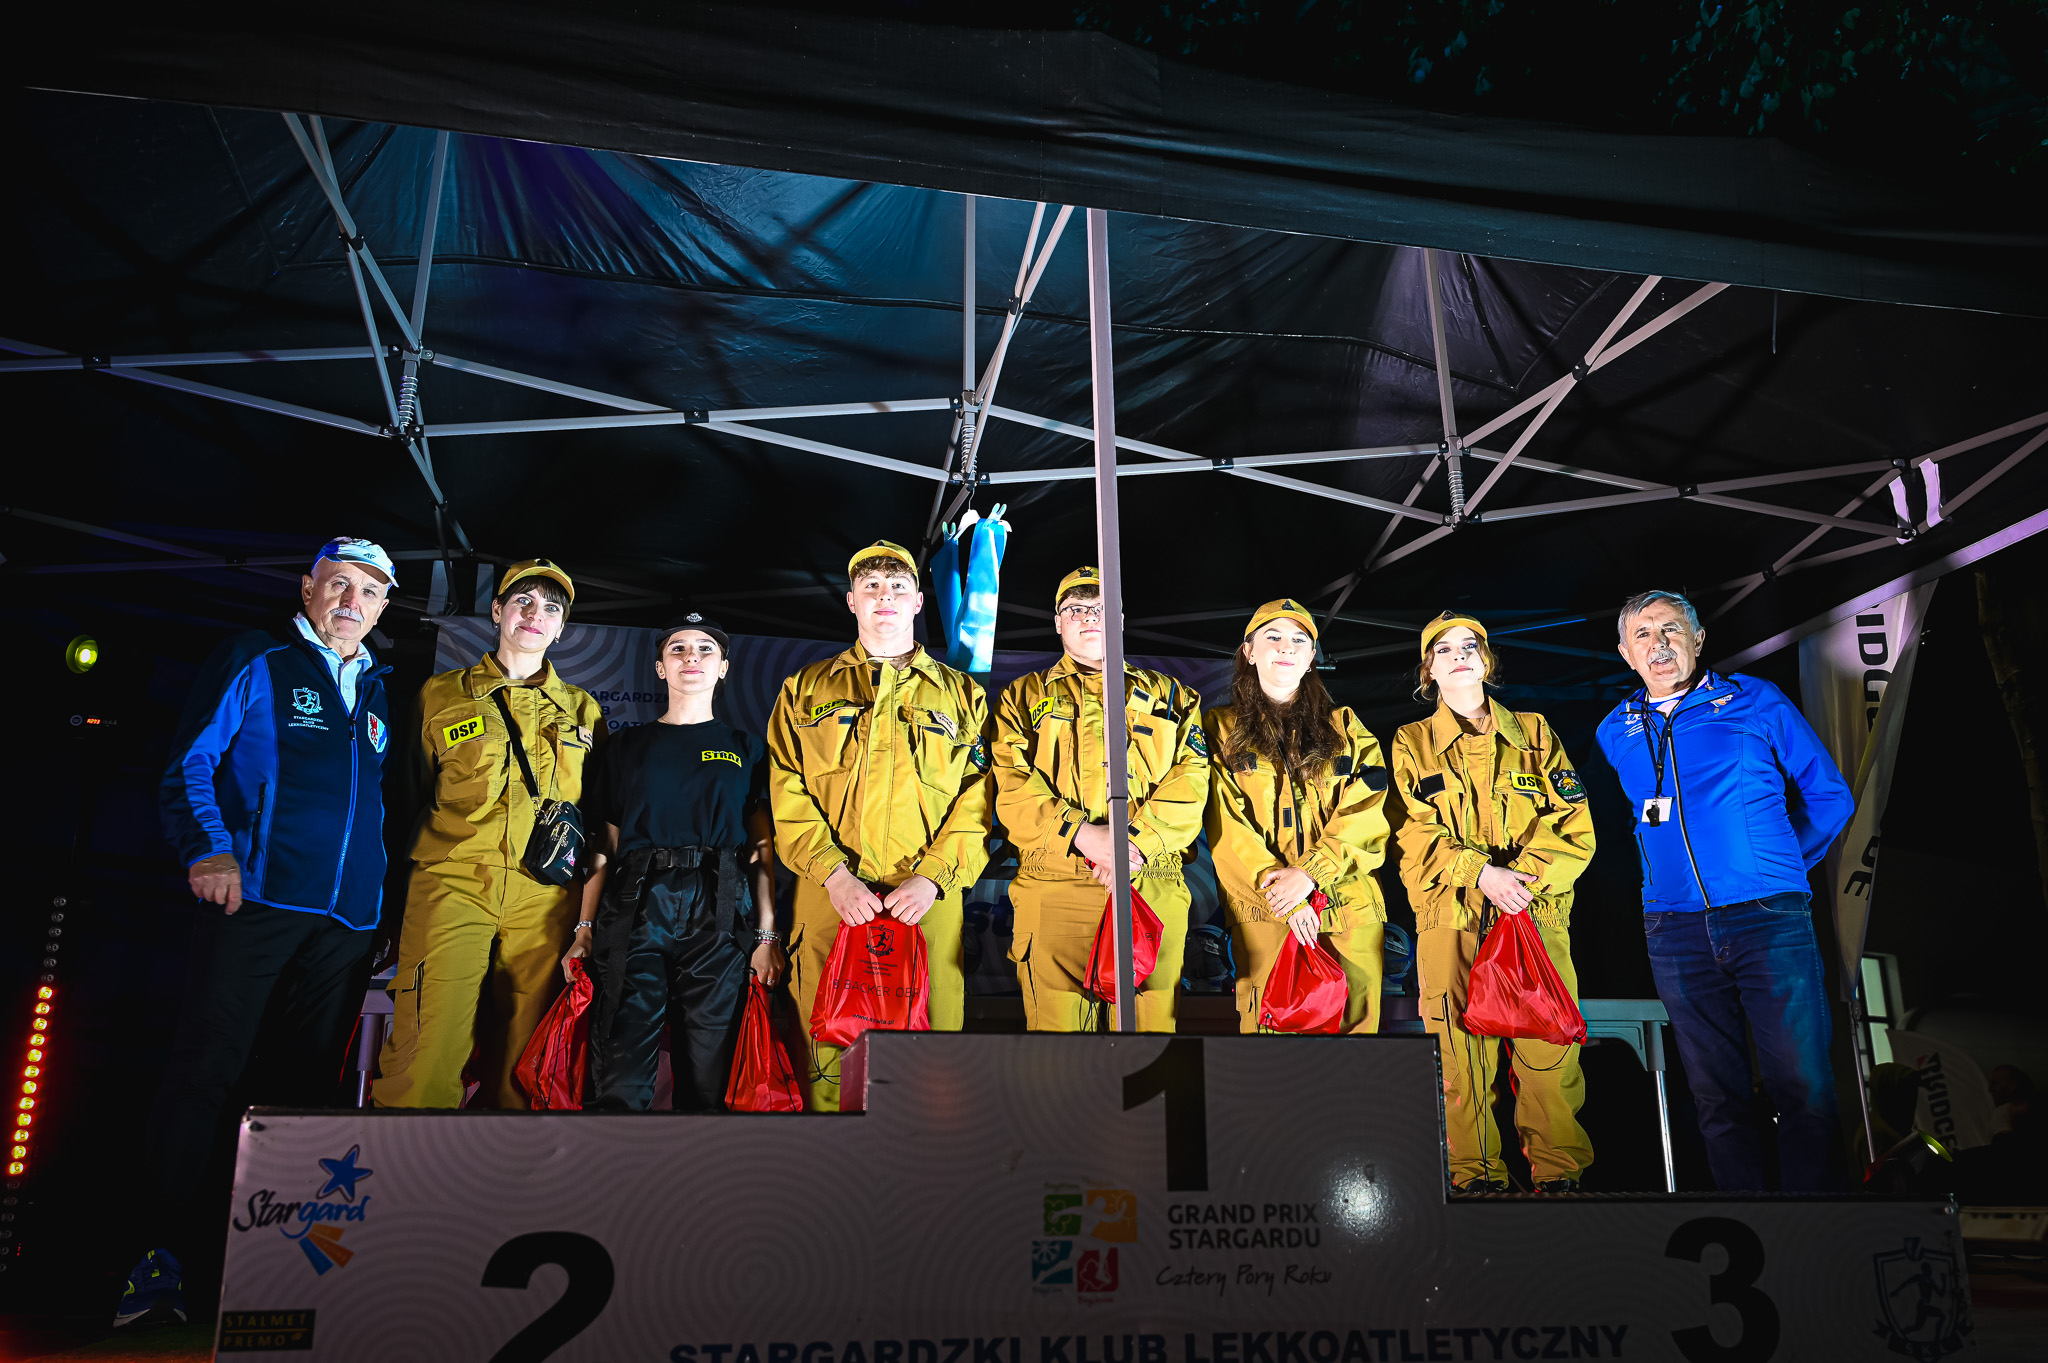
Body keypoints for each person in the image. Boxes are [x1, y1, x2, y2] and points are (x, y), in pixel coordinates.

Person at [126, 537, 398, 1327]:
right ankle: (156, 1260)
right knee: (206, 1072)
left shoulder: (380, 688)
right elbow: (190, 762)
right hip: (257, 900)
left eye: (369, 591)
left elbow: (381, 805)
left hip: (347, 924)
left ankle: (267, 1270)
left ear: (383, 607)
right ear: (308, 587)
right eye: (338, 583)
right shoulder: (258, 656)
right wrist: (208, 847)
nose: (351, 600)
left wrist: (380, 907)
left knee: (301, 1093)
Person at [1595, 589, 1853, 1193]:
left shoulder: (1754, 700)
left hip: (1768, 917)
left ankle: (1819, 1227)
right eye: (1643, 634)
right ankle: (1748, 1223)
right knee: (1715, 1095)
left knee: (1802, 1086)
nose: (1659, 644)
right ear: (1626, 653)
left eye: (1671, 629)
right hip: (1673, 930)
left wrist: (1781, 866)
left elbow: (1829, 797)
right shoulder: (1615, 730)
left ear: (1698, 638)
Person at [372, 559, 608, 1110]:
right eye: (523, 601)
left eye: (550, 608)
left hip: (545, 900)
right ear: (498, 610)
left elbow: (597, 820)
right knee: (428, 1044)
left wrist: (585, 920)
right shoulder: (440, 695)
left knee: (526, 1062)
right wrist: (389, 906)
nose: (535, 615)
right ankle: (406, 1158)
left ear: (561, 629)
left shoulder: (583, 710)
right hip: (451, 884)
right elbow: (405, 799)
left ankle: (508, 1163)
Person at [765, 542, 992, 1110]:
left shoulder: (963, 696)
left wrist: (934, 877)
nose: (884, 597)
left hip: (927, 898)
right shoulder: (805, 690)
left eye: (897, 587)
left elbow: (980, 799)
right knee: (825, 1054)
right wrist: (834, 875)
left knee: (931, 1057)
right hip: (831, 897)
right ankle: (827, 1162)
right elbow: (785, 789)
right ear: (851, 601)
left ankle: (926, 1159)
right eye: (871, 587)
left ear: (917, 602)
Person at [1391, 611, 1597, 1194]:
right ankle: (1473, 1179)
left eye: (1470, 646)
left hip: (1530, 914)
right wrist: (1480, 873)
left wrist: (1517, 882)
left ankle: (1559, 1178)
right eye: (1444, 649)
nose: (1459, 656)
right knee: (1459, 1061)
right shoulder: (1411, 743)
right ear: (1428, 670)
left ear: (1487, 661)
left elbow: (1574, 822)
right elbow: (1412, 831)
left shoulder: (1534, 733)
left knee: (1548, 1054)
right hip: (1451, 918)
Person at [564, 613, 783, 1110]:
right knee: (619, 1068)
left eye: (705, 649)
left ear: (723, 667)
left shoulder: (745, 748)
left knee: (710, 1079)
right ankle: (615, 1156)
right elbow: (604, 845)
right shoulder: (626, 746)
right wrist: (584, 927)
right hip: (636, 905)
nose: (691, 658)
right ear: (661, 667)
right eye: (678, 649)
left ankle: (701, 1159)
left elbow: (761, 849)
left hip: (719, 908)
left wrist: (767, 936)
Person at [991, 567, 1210, 1032]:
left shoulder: (1174, 697)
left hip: (1148, 878)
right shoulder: (1021, 698)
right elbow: (1010, 782)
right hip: (1055, 882)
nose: (1090, 617)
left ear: (1121, 620)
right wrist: (1081, 834)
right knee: (1059, 1050)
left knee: (1149, 1043)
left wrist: (1132, 846)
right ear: (1057, 622)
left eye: (1101, 608)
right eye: (1076, 608)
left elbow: (1191, 781)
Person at [1204, 599, 1391, 1034]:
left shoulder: (1347, 728)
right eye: (1273, 637)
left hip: (1350, 908)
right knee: (1274, 1051)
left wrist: (1310, 874)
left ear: (1311, 659)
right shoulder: (1220, 729)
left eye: (1299, 640)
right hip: (1265, 910)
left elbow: (1366, 811)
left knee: (1356, 1051)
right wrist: (1283, 893)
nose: (1286, 647)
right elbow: (1226, 823)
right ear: (1249, 652)